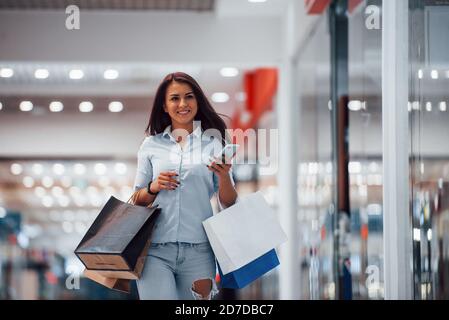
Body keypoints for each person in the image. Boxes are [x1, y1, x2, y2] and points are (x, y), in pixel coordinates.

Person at [132, 72, 238, 300]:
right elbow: (136, 199)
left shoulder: (214, 143)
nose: (182, 104)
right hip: (155, 251)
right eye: (174, 98)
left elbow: (228, 201)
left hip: (199, 251)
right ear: (164, 105)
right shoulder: (151, 145)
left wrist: (225, 176)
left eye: (189, 97)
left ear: (197, 101)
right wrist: (153, 187)